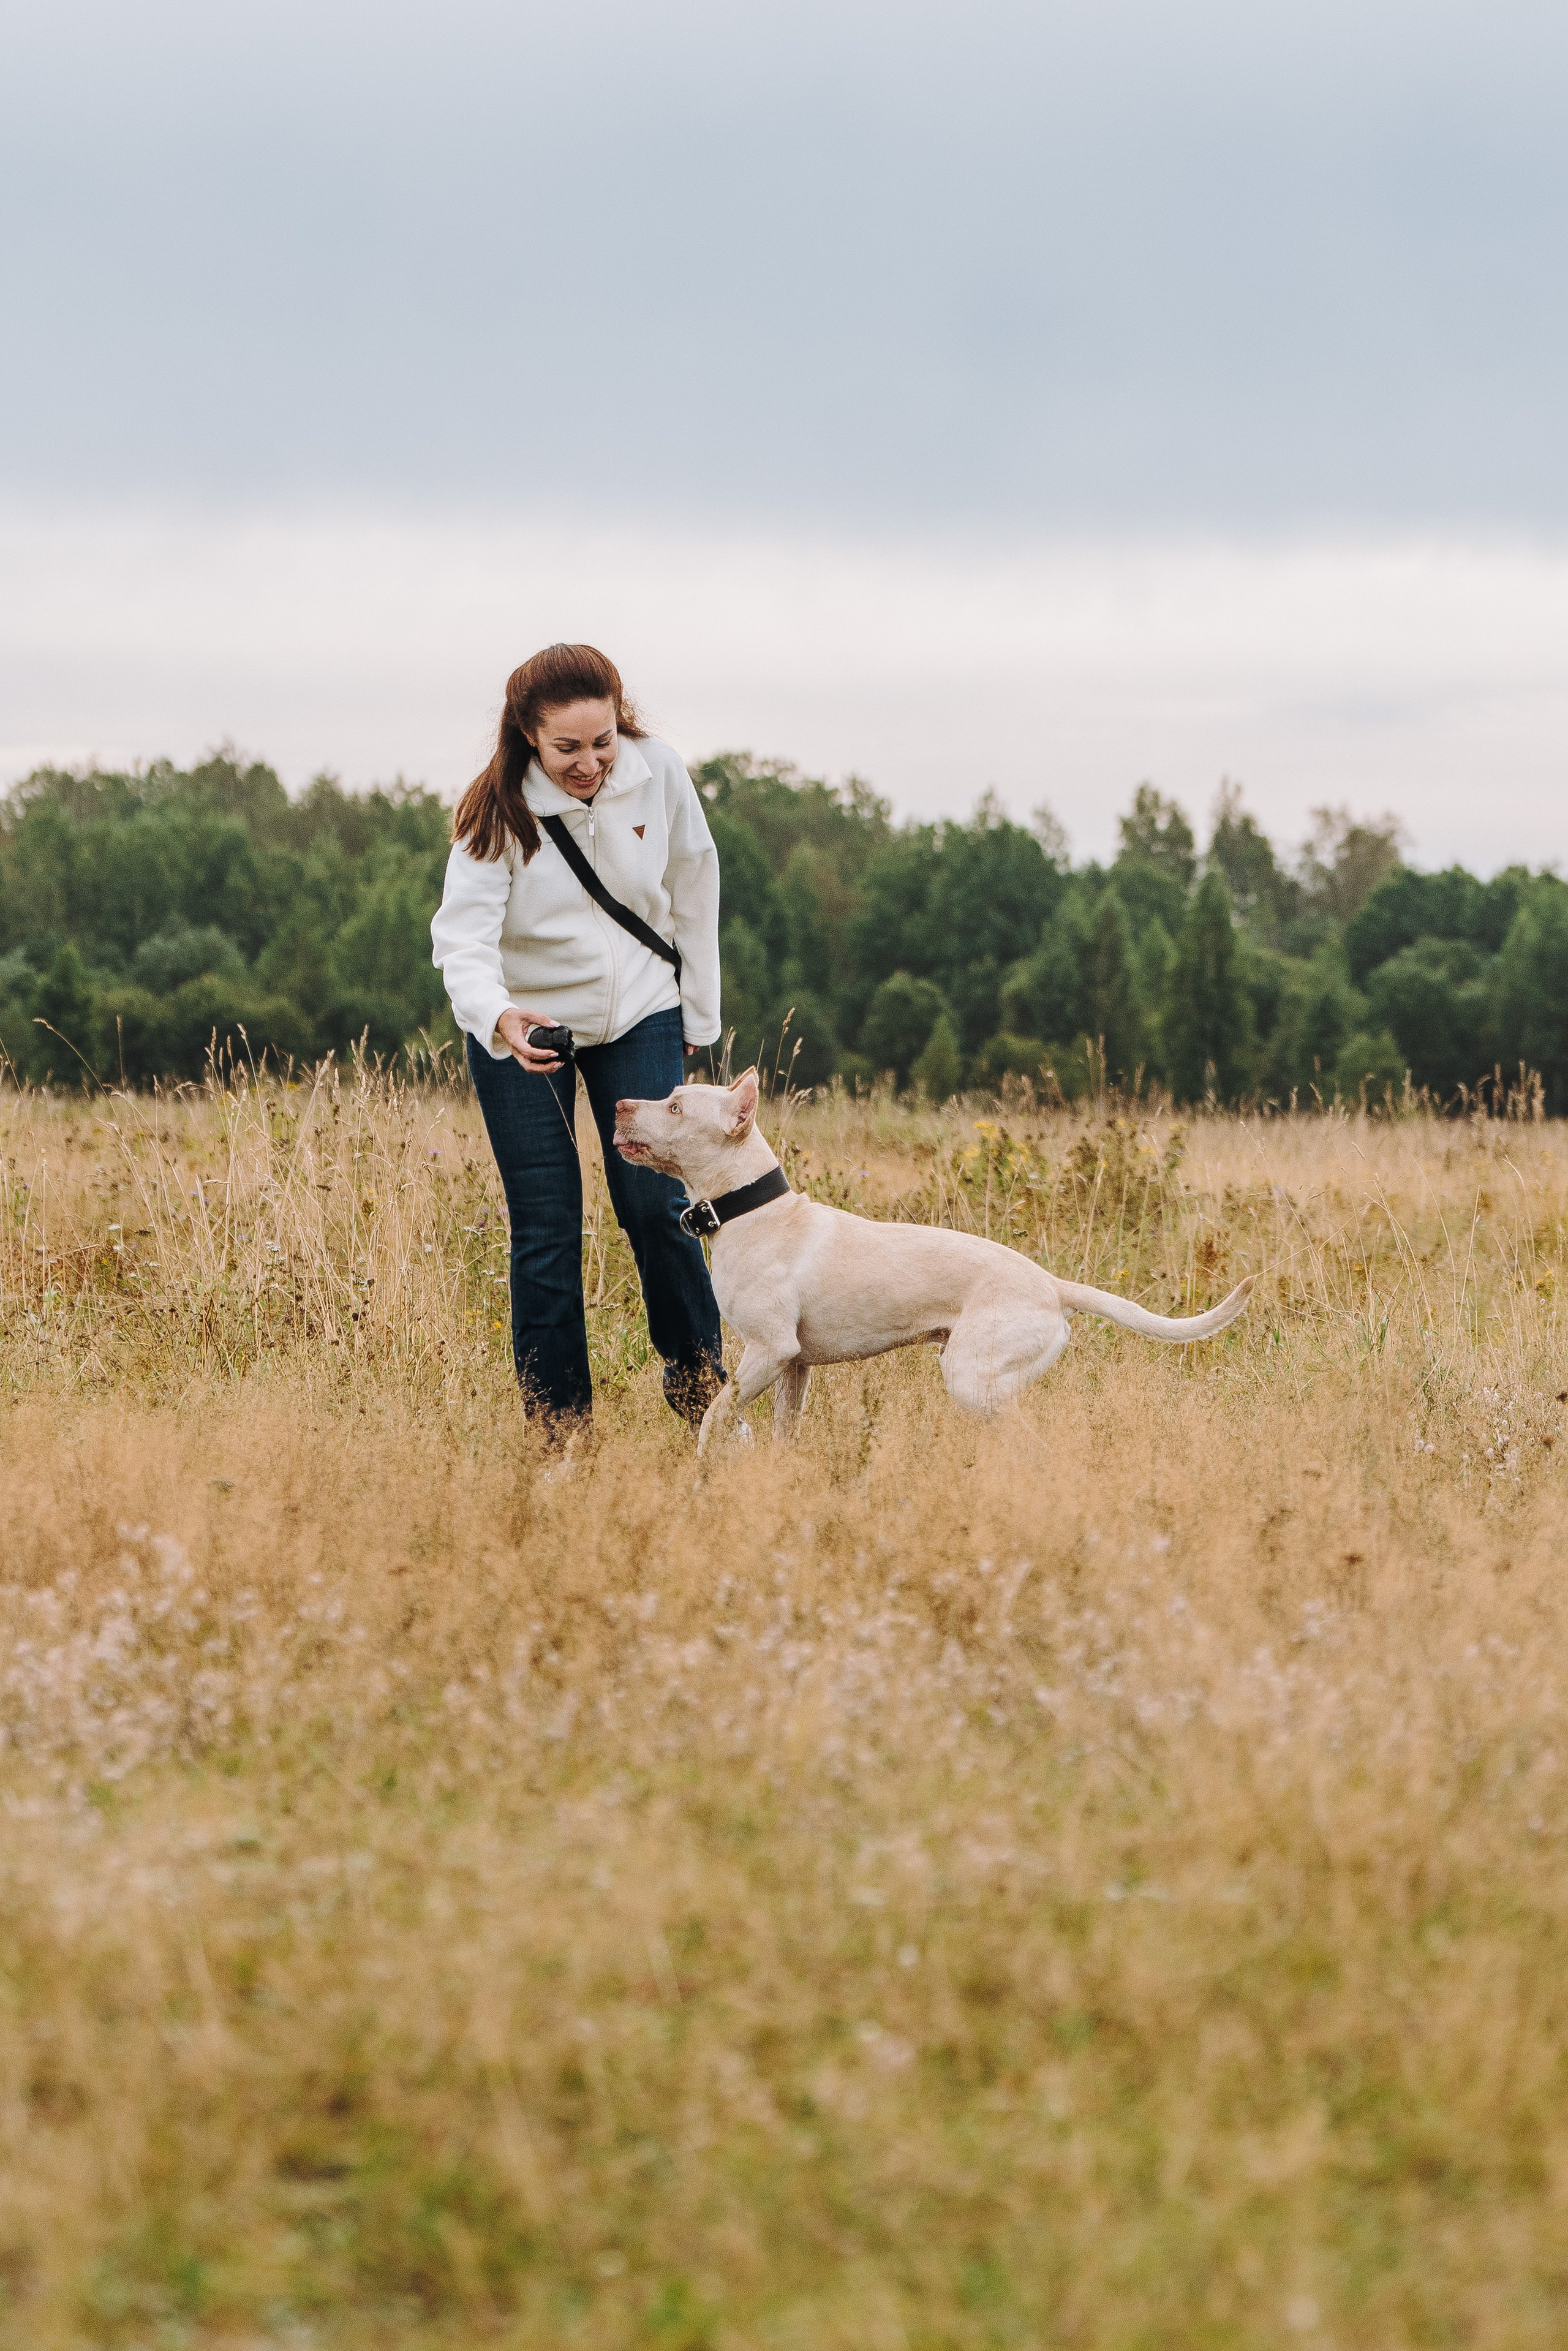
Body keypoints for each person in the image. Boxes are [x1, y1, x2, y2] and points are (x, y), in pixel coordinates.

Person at [431, 643, 726, 1432]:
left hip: (642, 1011)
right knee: (547, 1227)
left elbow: (695, 886)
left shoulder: (658, 772)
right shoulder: (495, 811)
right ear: (529, 734)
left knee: (657, 1205)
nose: (590, 763)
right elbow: (461, 939)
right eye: (567, 748)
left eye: (603, 741)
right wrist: (498, 1017)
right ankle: (560, 1433)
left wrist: (698, 1016)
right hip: (528, 1028)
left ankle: (704, 1391)